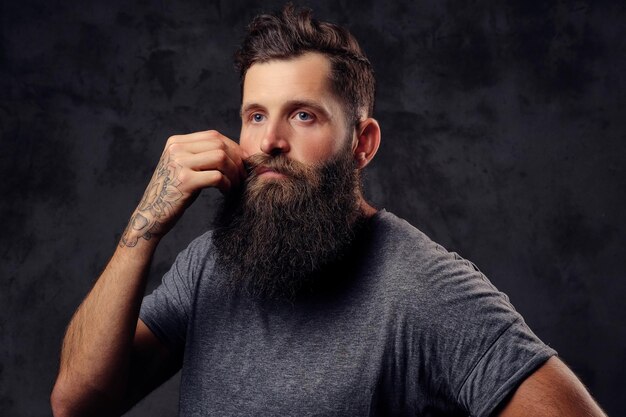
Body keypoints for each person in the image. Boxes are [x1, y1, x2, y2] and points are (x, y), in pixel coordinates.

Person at [51, 5, 607, 417]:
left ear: (361, 143)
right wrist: (143, 228)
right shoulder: (210, 265)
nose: (269, 141)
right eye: (254, 115)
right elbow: (77, 403)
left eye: (303, 116)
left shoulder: (423, 287)